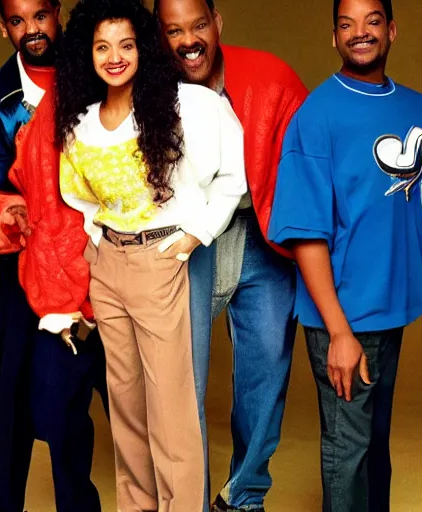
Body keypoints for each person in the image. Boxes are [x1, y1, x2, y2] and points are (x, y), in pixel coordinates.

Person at [269, 0, 422, 510]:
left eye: (372, 21)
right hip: (342, 316)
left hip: (388, 314)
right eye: (346, 23)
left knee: (375, 444)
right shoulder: (317, 116)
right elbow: (306, 234)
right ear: (333, 36)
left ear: (391, 30)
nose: (360, 32)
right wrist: (337, 332)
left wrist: (410, 292)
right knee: (348, 450)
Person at [56, 0, 247, 510]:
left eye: (126, 44)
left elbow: (235, 173)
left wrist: (197, 233)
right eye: (101, 46)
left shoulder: (188, 105)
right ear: (86, 55)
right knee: (127, 409)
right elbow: (76, 195)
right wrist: (97, 246)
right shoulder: (81, 124)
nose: (114, 56)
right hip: (110, 268)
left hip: (162, 263)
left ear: (143, 48)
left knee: (172, 411)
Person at [155, 0, 308, 510]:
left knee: (266, 369)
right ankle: (188, 502)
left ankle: (243, 496)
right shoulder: (145, 87)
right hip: (188, 237)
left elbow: (311, 164)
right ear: (160, 35)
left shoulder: (270, 76)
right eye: (174, 31)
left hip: (260, 232)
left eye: (198, 25)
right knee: (182, 378)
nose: (189, 40)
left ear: (217, 24)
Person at [0, 1, 107, 511]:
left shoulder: (96, 63)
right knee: (20, 399)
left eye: (40, 15)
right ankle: (6, 503)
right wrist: (17, 215)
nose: (31, 30)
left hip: (109, 261)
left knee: (132, 395)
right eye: (18, 21)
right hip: (30, 274)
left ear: (58, 13)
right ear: (4, 27)